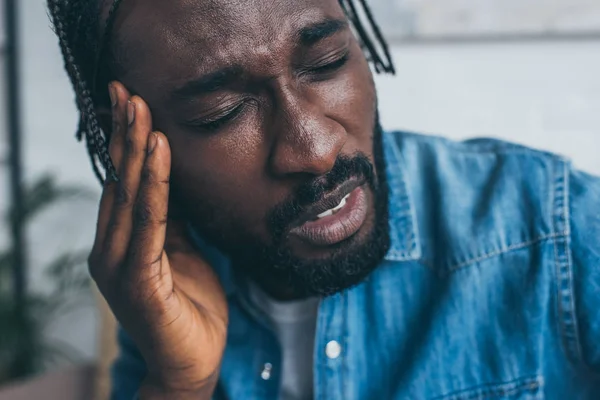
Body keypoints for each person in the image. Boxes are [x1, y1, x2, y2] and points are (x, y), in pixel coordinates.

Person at [48, 0, 600, 399]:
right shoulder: (164, 294)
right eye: (223, 112)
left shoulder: (556, 231)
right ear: (128, 143)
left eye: (327, 61)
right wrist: (178, 386)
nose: (314, 150)